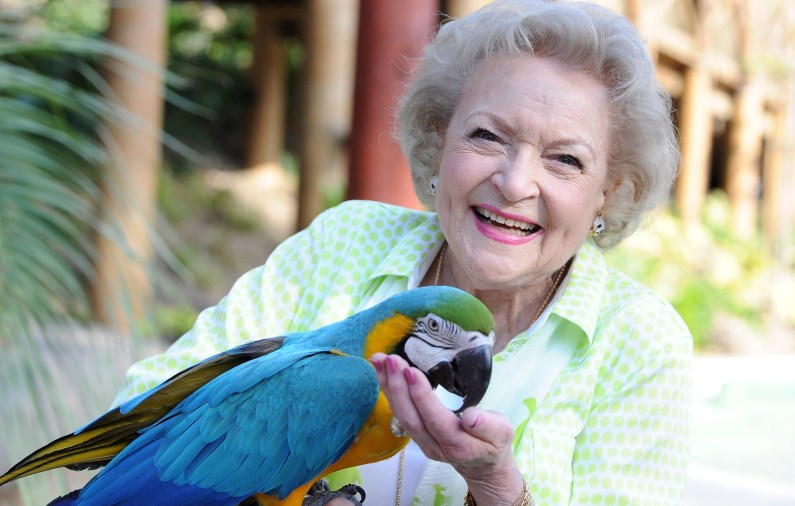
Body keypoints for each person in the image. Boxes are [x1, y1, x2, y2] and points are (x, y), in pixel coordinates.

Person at [114, 0, 692, 504]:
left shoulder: (639, 340)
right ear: (440, 141)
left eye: (566, 159)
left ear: (608, 193)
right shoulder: (346, 244)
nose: (515, 183)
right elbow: (152, 410)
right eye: (487, 136)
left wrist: (498, 490)